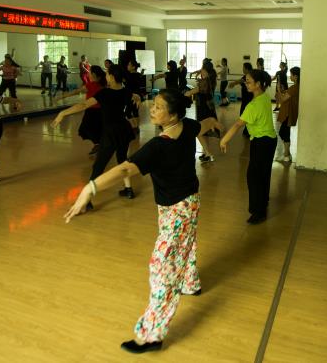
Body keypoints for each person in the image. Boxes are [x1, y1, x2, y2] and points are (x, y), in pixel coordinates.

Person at [63, 89, 223, 354]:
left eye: (158, 107)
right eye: (153, 105)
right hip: (188, 201)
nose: (152, 109)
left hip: (177, 209)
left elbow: (125, 168)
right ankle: (190, 282)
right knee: (186, 242)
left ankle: (151, 335)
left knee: (162, 269)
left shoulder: (158, 146)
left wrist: (90, 188)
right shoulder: (186, 126)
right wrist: (214, 122)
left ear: (173, 115)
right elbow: (204, 124)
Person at [52, 65, 141, 199]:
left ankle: (87, 199)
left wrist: (63, 113)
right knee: (122, 160)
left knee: (99, 166)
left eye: (107, 74)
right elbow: (135, 96)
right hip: (124, 130)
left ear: (112, 77)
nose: (106, 76)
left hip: (111, 133)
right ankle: (128, 189)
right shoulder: (126, 91)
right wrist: (138, 97)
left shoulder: (104, 93)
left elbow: (83, 105)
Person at [220, 69, 277, 224]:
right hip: (269, 140)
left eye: (249, 82)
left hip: (261, 142)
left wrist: (224, 140)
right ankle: (263, 202)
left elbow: (238, 124)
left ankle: (258, 212)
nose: (246, 84)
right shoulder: (264, 97)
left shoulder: (253, 105)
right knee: (263, 173)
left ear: (258, 84)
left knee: (254, 177)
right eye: (246, 81)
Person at [57, 65, 106, 155]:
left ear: (93, 74)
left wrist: (63, 96)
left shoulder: (90, 85)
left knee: (85, 129)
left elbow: (76, 92)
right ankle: (99, 144)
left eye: (89, 72)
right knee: (97, 129)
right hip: (102, 111)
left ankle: (98, 144)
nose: (88, 73)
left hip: (91, 111)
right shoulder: (103, 84)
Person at [185, 60, 218, 163]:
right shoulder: (210, 80)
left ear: (206, 71)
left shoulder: (204, 82)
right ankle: (206, 152)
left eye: (202, 69)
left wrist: (183, 94)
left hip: (204, 110)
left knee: (198, 131)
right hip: (206, 109)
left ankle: (208, 154)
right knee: (203, 132)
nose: (201, 71)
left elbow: (190, 93)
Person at [276, 67, 300, 162]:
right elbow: (288, 95)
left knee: (284, 133)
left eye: (291, 75)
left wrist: (278, 90)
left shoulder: (294, 87)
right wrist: (283, 91)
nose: (290, 76)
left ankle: (286, 155)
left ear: (296, 76)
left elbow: (283, 99)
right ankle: (288, 154)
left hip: (288, 113)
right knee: (284, 132)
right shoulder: (296, 87)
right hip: (291, 112)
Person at [227, 62, 253, 138]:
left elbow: (240, 81)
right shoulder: (247, 76)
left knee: (245, 114)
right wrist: (234, 83)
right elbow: (241, 80)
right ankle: (247, 129)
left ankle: (248, 130)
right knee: (244, 114)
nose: (243, 69)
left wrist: (233, 83)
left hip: (248, 99)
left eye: (243, 68)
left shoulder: (249, 76)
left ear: (247, 69)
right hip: (246, 99)